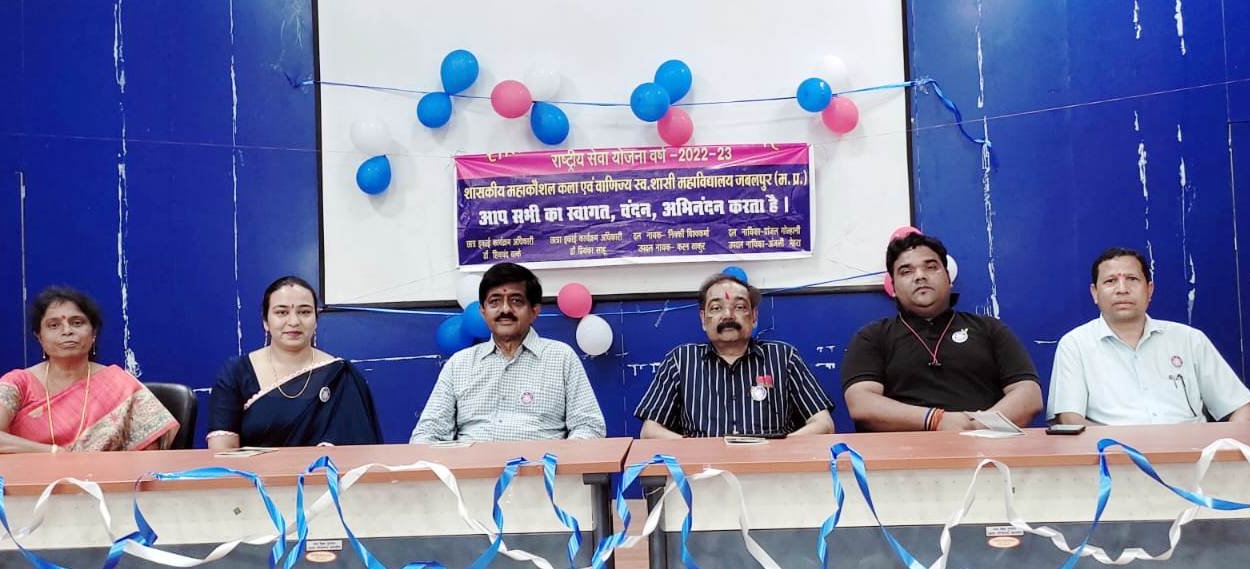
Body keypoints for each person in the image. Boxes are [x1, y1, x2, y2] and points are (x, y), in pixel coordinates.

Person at [841, 233, 1043, 431]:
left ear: (949, 279)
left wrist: (976, 426)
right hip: (902, 449)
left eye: (931, 267)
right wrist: (936, 420)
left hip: (984, 443)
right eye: (906, 271)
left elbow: (1029, 394)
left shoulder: (989, 329)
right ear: (892, 287)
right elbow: (861, 403)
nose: (920, 276)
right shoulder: (872, 336)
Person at [1047, 248, 1250, 425]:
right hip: (1112, 456)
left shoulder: (1189, 339)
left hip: (1193, 454)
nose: (1122, 289)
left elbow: (1243, 411)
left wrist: (1222, 450)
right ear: (1095, 293)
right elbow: (1070, 420)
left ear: (1149, 289)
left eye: (1132, 279)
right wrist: (1120, 451)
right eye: (1110, 281)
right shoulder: (1075, 345)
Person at [0, 286, 179, 454]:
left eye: (77, 323)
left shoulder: (120, 384)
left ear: (93, 334)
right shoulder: (18, 383)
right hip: (30, 486)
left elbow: (149, 451)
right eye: (54, 325)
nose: (67, 331)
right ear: (39, 337)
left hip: (104, 486)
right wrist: (53, 453)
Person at [410, 262, 606, 442]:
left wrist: (560, 460)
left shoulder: (561, 357)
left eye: (516, 301)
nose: (505, 310)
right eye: (494, 301)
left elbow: (589, 426)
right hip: (473, 468)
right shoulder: (459, 364)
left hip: (543, 467)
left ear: (534, 311)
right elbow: (428, 432)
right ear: (483, 311)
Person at [635, 273, 834, 438]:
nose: (728, 315)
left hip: (771, 468)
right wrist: (694, 450)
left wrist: (779, 448)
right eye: (716, 308)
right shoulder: (681, 361)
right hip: (702, 469)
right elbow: (650, 431)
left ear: (754, 317)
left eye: (739, 307)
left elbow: (823, 424)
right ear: (703, 319)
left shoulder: (783, 357)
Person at [207, 276, 383, 448]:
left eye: (304, 312)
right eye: (281, 312)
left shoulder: (340, 376)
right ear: (265, 321)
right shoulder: (237, 372)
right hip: (253, 469)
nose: (294, 321)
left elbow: (357, 453)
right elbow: (222, 451)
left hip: (324, 469)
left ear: (316, 320)